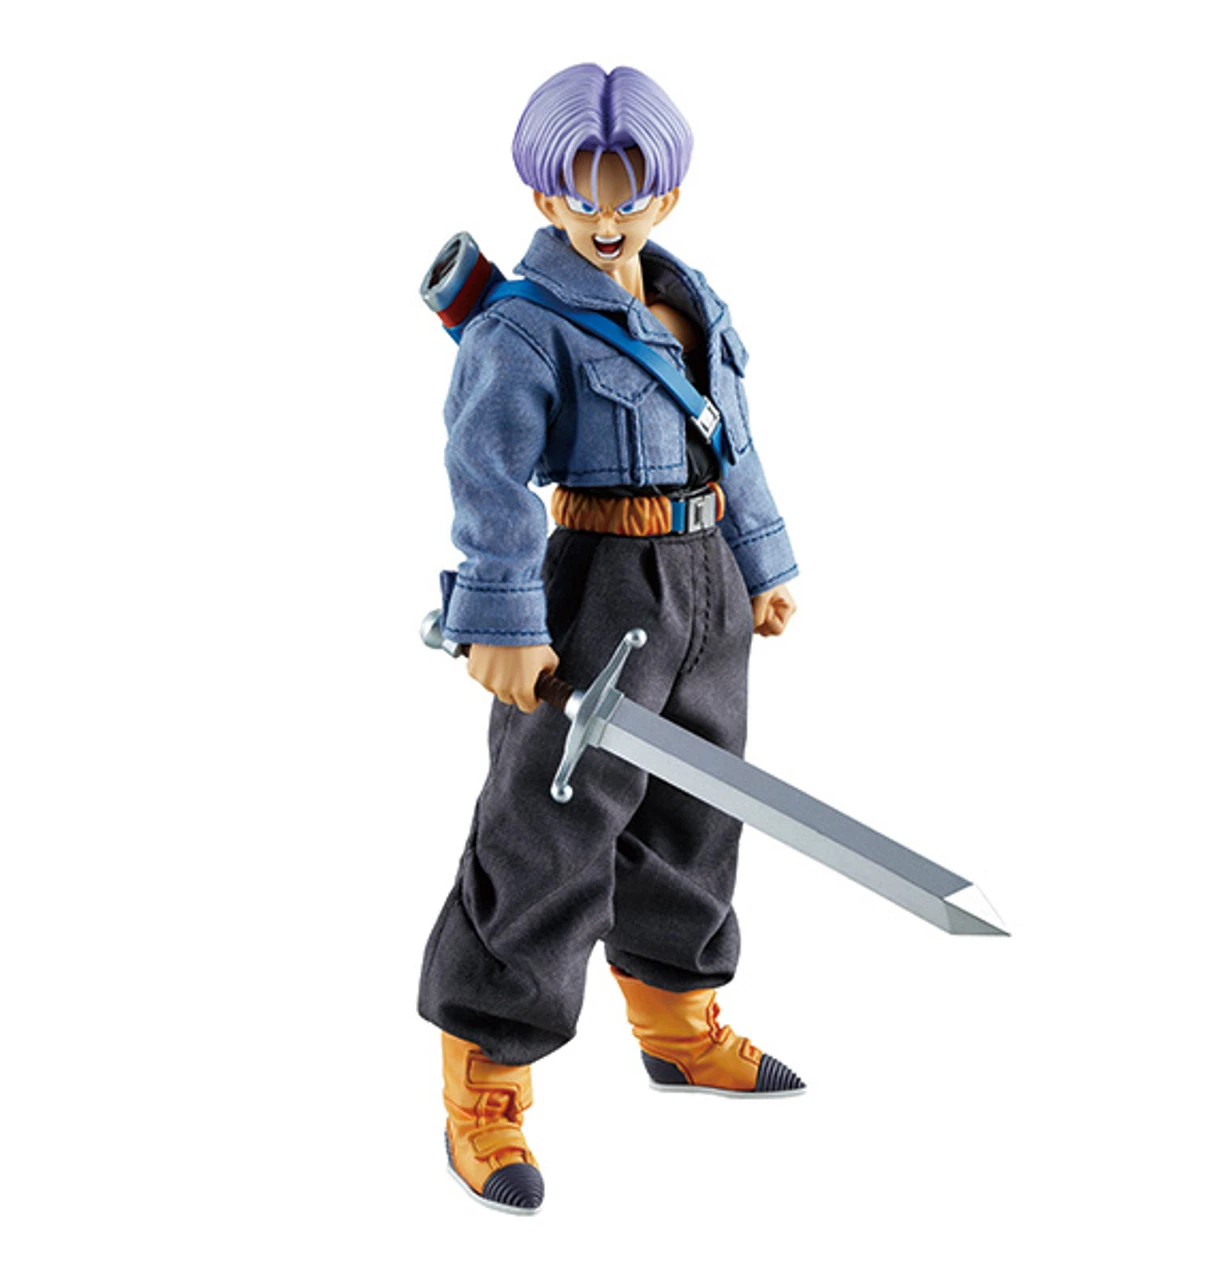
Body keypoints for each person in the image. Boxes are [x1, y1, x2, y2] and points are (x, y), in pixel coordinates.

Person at [419, 64, 802, 1215]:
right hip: (596, 582)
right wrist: (501, 619)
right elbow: (487, 473)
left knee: (697, 808)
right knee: (546, 831)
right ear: (542, 195)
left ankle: (677, 1024)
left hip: (703, 580)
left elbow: (731, 439)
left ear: (664, 196)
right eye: (576, 195)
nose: (601, 217)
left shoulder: (692, 302)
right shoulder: (521, 324)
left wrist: (760, 561)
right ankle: (485, 1083)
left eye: (626, 196)